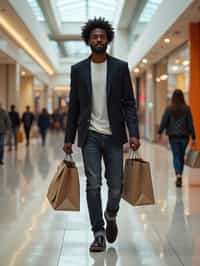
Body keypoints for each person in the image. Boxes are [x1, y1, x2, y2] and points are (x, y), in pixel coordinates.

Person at [63, 17, 140, 252]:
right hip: (91, 136)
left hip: (115, 135)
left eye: (102, 36)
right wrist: (68, 138)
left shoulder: (119, 67)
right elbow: (74, 106)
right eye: (95, 36)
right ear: (88, 40)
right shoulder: (78, 70)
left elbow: (128, 103)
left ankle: (111, 213)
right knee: (93, 184)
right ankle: (98, 232)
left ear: (108, 40)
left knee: (116, 185)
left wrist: (133, 133)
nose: (99, 39)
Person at [158, 89, 196, 187]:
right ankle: (180, 175)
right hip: (184, 136)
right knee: (181, 156)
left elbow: (164, 120)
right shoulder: (187, 108)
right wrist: (193, 136)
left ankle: (178, 175)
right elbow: (190, 123)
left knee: (176, 156)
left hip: (173, 136)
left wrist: (159, 132)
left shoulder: (169, 108)